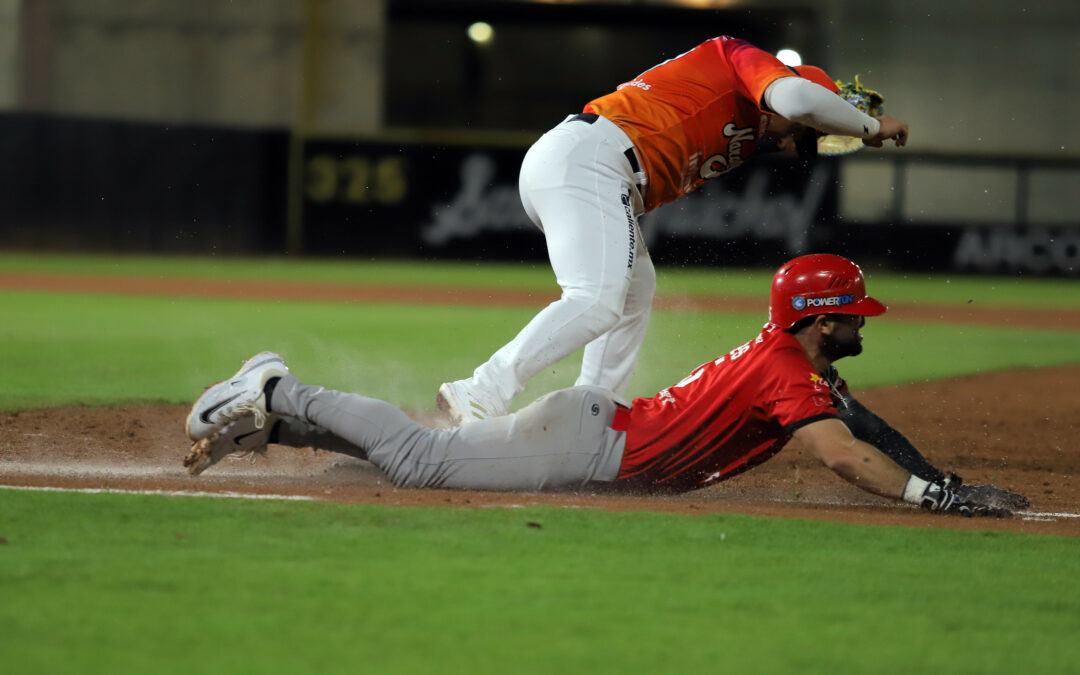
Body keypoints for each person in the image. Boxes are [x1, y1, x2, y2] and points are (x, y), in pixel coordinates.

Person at [183, 254, 1027, 518]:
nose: (863, 323)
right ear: (818, 319)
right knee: (419, 460)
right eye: (851, 313)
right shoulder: (784, 371)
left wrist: (944, 480)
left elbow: (865, 426)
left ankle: (275, 424)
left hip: (595, 434)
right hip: (588, 441)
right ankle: (279, 386)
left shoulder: (795, 361)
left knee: (415, 460)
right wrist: (936, 502)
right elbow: (842, 456)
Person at [434, 35, 910, 426]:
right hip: (591, 159)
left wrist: (841, 124)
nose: (795, 141)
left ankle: (591, 411)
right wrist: (868, 125)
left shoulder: (755, 129)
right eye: (807, 130)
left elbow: (798, 107)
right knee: (595, 299)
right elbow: (797, 98)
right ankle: (481, 391)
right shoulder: (743, 59)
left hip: (593, 168)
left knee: (634, 291)